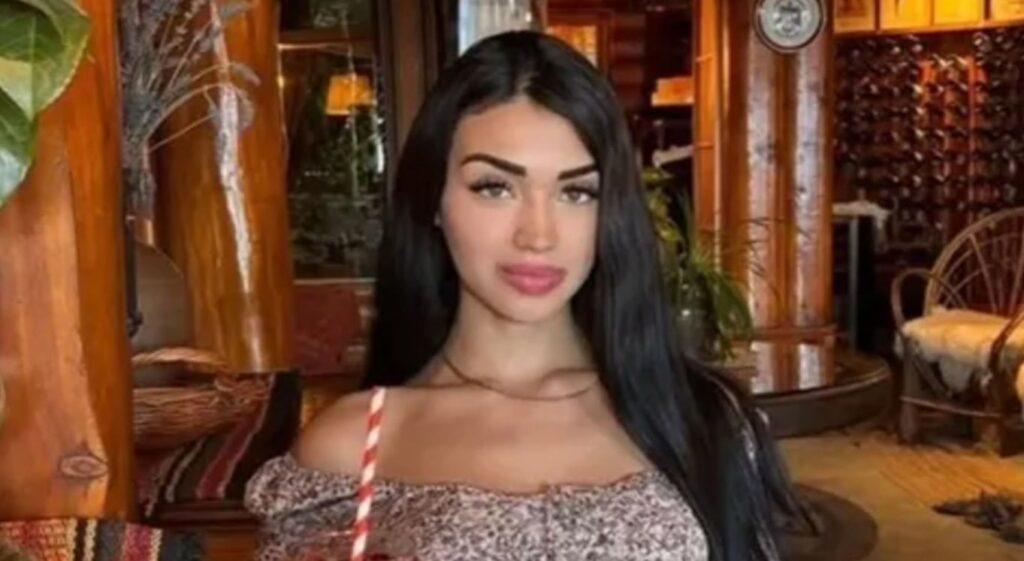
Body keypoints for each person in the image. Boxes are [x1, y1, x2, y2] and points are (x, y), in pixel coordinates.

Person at [245, 31, 805, 561]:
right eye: (495, 187)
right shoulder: (353, 446)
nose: (538, 235)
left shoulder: (699, 418)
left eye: (576, 192)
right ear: (434, 199)